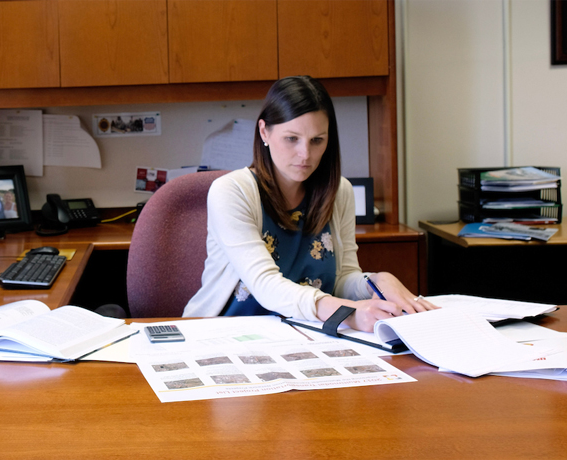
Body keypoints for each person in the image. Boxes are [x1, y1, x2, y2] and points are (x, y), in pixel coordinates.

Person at [183, 76, 437, 332]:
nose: (305, 155)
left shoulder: (340, 192)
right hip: (225, 334)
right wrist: (347, 314)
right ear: (264, 132)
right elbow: (265, 284)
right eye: (292, 139)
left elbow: (343, 278)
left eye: (317, 140)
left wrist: (378, 281)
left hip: (306, 334)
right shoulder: (231, 191)